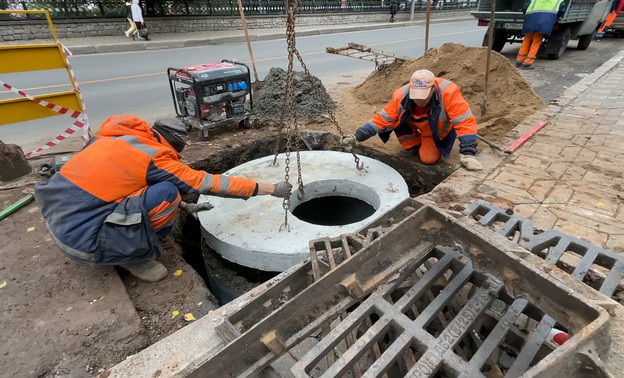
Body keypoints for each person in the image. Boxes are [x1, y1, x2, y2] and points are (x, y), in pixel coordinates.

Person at [34, 115, 292, 282]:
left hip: (60, 219)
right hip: (83, 240)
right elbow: (210, 183)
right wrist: (270, 188)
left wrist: (186, 206)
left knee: (165, 190)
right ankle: (133, 255)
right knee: (168, 191)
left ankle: (121, 240)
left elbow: (126, 185)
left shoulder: (114, 139)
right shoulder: (155, 158)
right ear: (174, 143)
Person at [341, 69, 482, 171]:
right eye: (416, 95)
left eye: (424, 96)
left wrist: (468, 153)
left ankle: (427, 142)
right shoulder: (401, 95)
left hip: (437, 131)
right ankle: (413, 144)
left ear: (433, 88)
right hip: (416, 123)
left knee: (428, 159)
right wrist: (357, 136)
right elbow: (382, 118)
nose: (419, 100)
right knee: (393, 121)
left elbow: (465, 121)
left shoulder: (448, 93)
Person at [515, 0, 567, 69]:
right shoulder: (558, 1)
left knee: (526, 40)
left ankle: (519, 60)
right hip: (544, 22)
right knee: (536, 42)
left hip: (531, 20)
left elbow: (525, 8)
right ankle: (527, 62)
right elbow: (561, 11)